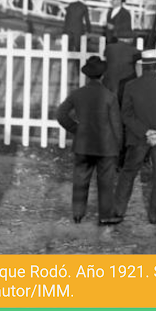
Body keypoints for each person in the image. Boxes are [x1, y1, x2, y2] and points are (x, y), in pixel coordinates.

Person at [114, 50, 156, 224]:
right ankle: (153, 216)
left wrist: (145, 132)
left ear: (143, 66)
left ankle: (119, 211)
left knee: (128, 173)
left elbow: (126, 115)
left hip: (138, 138)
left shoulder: (130, 86)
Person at [56, 56, 123, 224]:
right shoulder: (110, 96)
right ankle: (105, 216)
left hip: (83, 144)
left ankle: (78, 214)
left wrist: (76, 129)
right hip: (106, 147)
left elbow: (61, 114)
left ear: (86, 75)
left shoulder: (77, 94)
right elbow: (116, 125)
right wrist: (119, 147)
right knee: (106, 182)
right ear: (102, 75)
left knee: (80, 179)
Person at [103, 36, 142, 106]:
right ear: (130, 39)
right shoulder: (134, 51)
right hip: (124, 90)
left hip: (109, 87)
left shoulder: (109, 48)